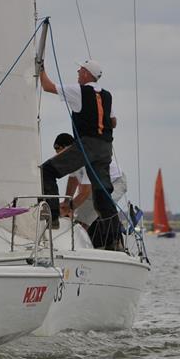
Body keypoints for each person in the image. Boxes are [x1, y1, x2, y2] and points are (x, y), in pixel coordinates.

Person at [39, 59, 121, 249]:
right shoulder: (107, 96)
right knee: (102, 193)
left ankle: (53, 220)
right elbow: (113, 121)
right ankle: (114, 239)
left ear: (86, 74)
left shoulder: (79, 90)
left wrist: (40, 68)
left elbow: (47, 86)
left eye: (80, 70)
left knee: (47, 172)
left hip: (87, 145)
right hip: (105, 148)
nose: (77, 73)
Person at [53, 134, 127, 236]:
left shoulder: (85, 158)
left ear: (69, 148)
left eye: (60, 152)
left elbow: (85, 192)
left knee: (100, 208)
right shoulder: (72, 159)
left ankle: (116, 240)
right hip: (96, 185)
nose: (59, 157)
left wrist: (69, 208)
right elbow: (73, 180)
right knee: (79, 219)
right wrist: (66, 201)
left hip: (115, 182)